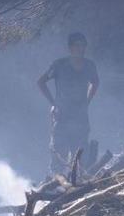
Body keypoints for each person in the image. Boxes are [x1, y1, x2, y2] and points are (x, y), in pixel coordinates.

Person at [37, 32, 100, 173]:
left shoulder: (89, 65)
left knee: (81, 155)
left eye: (82, 45)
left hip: (80, 117)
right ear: (70, 47)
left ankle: (80, 185)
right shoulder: (59, 64)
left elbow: (95, 82)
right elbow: (41, 82)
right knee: (59, 155)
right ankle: (56, 185)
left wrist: (87, 101)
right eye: (77, 45)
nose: (80, 49)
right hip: (61, 116)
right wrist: (53, 103)